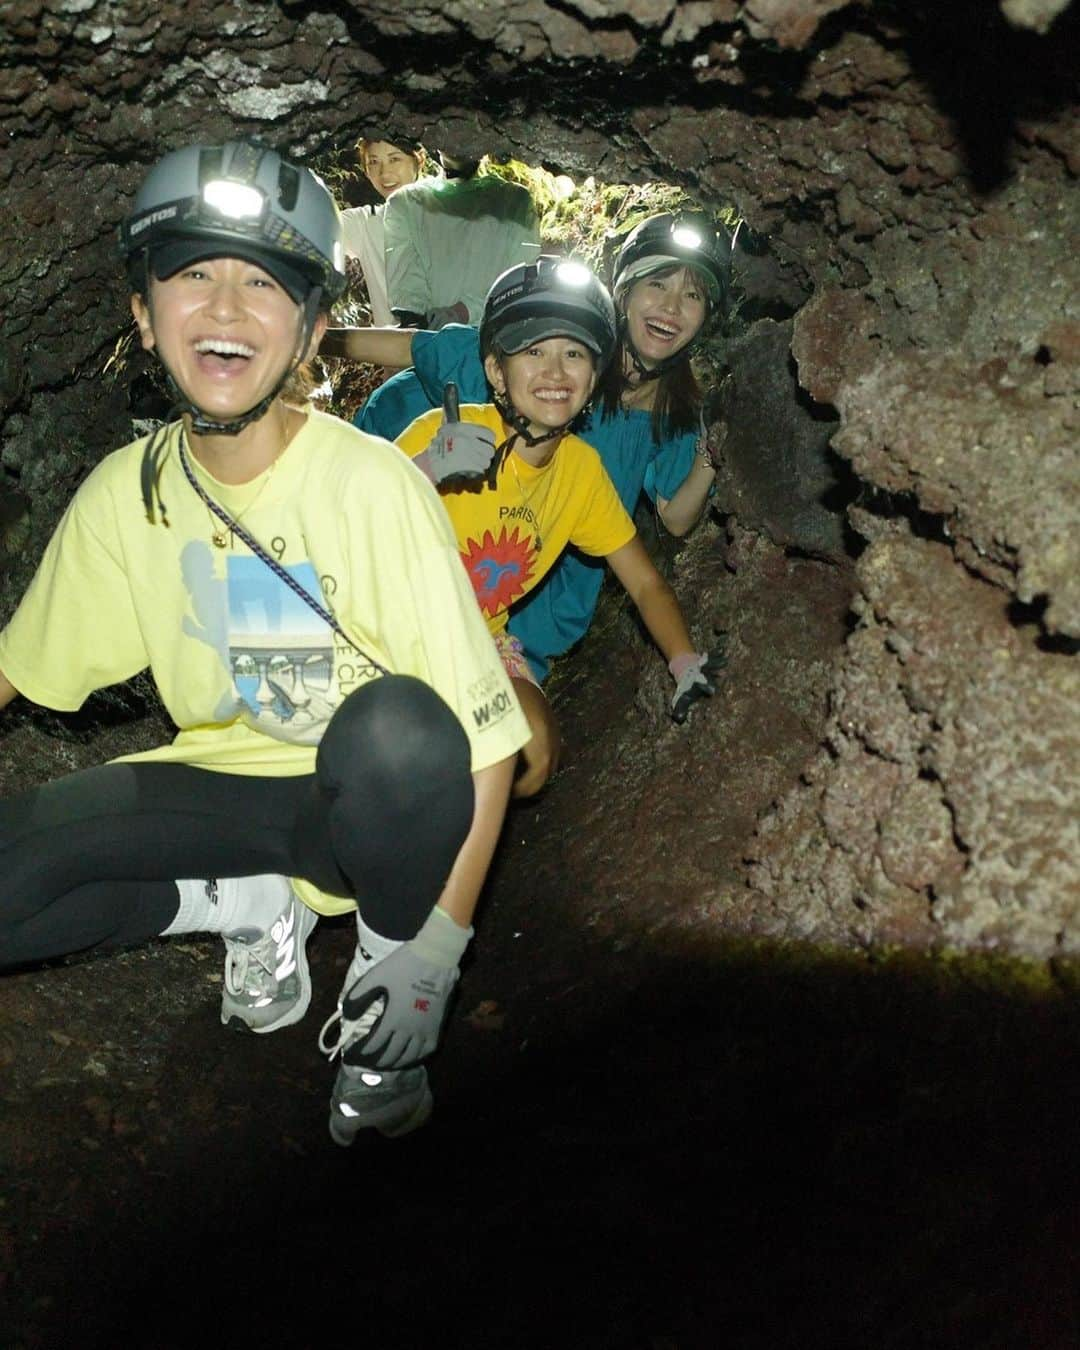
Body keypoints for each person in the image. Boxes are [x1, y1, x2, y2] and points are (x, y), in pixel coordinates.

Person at [0, 141, 530, 1145]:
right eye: (192, 275)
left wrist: (432, 964)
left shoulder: (374, 485)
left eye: (264, 283)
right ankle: (244, 908)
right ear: (143, 316)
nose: (227, 308)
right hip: (217, 783)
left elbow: (487, 743)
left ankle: (381, 1009)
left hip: (358, 800)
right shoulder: (127, 492)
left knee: (405, 735)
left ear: (313, 328)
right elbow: (16, 669)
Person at [322, 211, 729, 681]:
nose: (672, 307)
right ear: (625, 291)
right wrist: (309, 343)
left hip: (516, 607)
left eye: (692, 296)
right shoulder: (550, 353)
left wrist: (710, 454)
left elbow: (675, 517)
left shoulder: (669, 416)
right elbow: (418, 348)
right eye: (657, 284)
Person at [394, 256, 719, 797]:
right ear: (497, 372)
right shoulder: (444, 434)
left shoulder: (581, 473)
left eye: (574, 355)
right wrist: (426, 470)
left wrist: (684, 662)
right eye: (534, 351)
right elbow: (349, 523)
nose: (554, 372)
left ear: (595, 379)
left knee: (531, 749)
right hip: (391, 619)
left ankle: (449, 849)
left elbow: (643, 581)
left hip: (479, 639)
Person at [383, 151, 542, 328]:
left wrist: (465, 311)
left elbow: (521, 280)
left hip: (497, 337)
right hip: (431, 340)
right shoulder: (405, 203)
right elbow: (407, 289)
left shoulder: (514, 199)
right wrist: (419, 323)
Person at [339, 134, 422, 327]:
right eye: (374, 162)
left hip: (450, 349)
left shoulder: (450, 214)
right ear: (366, 171)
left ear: (418, 161)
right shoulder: (365, 223)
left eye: (395, 159)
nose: (384, 173)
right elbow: (316, 231)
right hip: (392, 351)